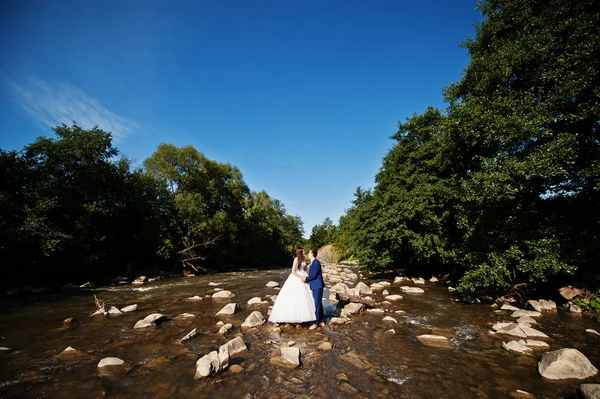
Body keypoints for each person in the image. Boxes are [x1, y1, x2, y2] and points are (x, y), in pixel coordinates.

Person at [268, 247, 316, 324]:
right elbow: (293, 271)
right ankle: (293, 316)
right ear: (299, 252)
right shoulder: (296, 259)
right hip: (296, 277)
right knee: (294, 296)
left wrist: (308, 266)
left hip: (303, 275)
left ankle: (307, 315)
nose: (304, 252)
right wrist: (300, 278)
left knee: (305, 296)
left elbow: (303, 268)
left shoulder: (303, 258)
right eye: (303, 251)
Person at [303, 249, 325, 330]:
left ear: (312, 254)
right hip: (315, 285)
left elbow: (314, 275)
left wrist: (305, 279)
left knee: (317, 304)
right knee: (318, 303)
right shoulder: (312, 263)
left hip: (317, 286)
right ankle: (322, 320)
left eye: (309, 252)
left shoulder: (316, 262)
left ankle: (316, 323)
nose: (308, 254)